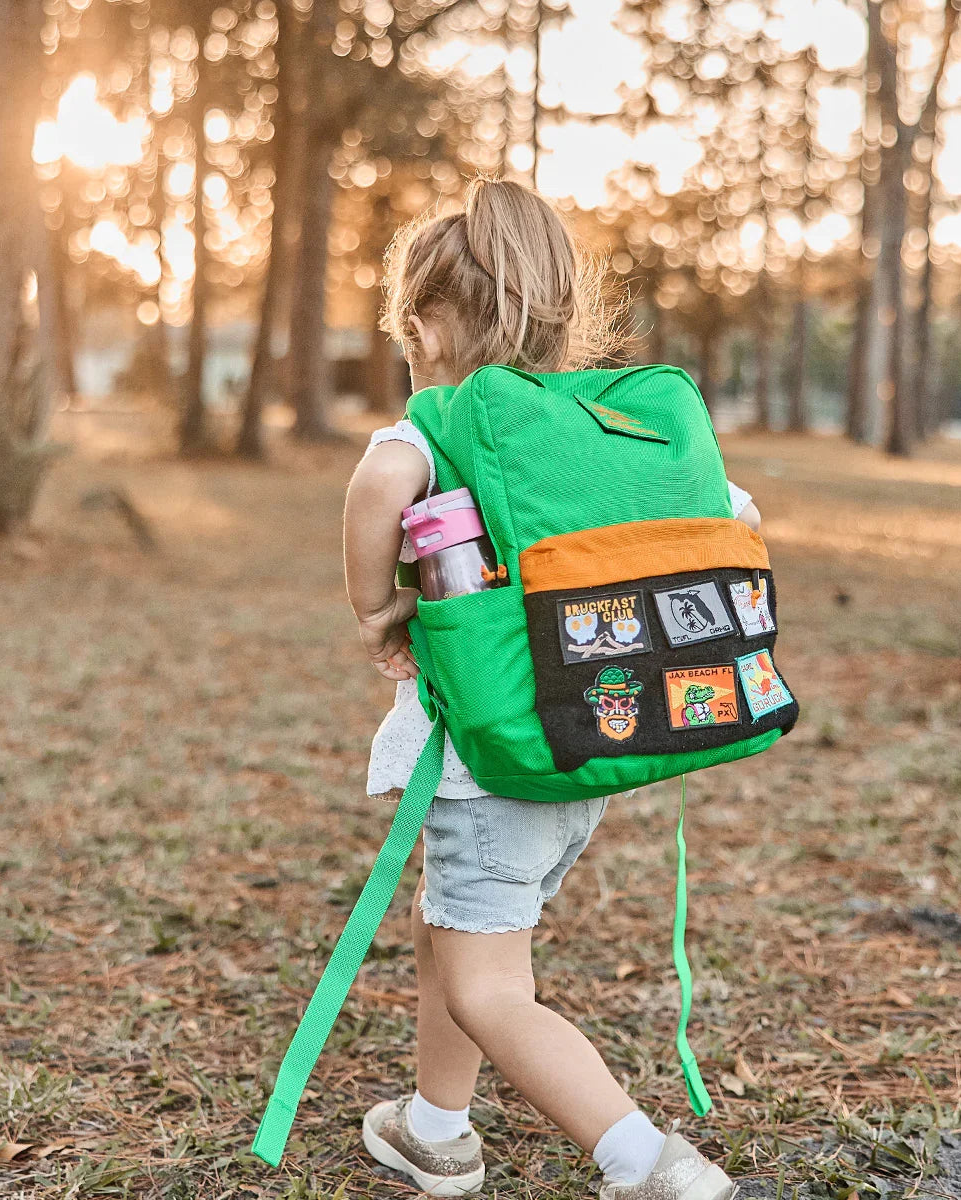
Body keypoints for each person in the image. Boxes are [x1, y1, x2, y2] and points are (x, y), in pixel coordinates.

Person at [342, 176, 760, 1200]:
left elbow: (379, 485)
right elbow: (738, 518)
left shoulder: (440, 427)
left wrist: (373, 608)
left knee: (489, 986)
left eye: (409, 329)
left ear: (428, 324)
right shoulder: (602, 430)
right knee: (454, 928)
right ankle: (438, 1129)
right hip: (590, 747)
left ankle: (645, 1162)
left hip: (495, 770)